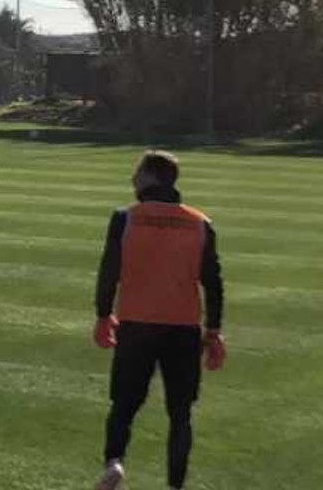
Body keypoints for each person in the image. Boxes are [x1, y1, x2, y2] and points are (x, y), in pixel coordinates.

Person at [92, 150, 226, 490]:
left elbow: (109, 272)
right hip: (182, 329)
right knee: (180, 413)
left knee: (123, 403)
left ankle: (115, 462)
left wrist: (103, 315)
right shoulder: (200, 222)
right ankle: (175, 485)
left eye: (138, 172)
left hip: (136, 324)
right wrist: (214, 331)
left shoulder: (126, 219)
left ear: (151, 177)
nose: (133, 178)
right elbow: (213, 281)